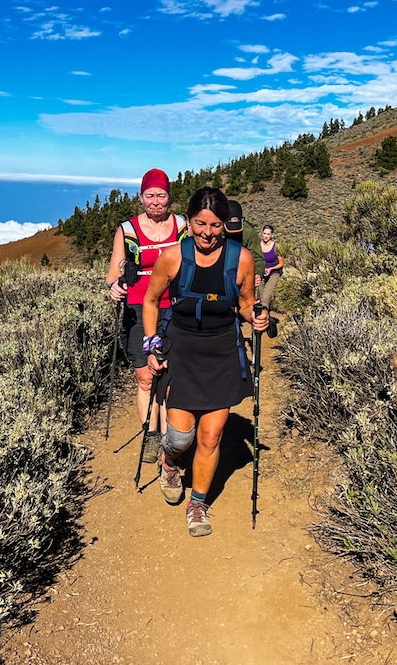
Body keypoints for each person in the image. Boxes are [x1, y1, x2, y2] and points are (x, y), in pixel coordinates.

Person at [142, 187, 268, 537]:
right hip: (182, 349)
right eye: (200, 223)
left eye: (215, 225)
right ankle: (170, 461)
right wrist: (152, 345)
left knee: (210, 437)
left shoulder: (240, 259)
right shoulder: (172, 257)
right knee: (181, 437)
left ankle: (197, 504)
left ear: (225, 224)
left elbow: (244, 302)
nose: (207, 233)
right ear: (189, 221)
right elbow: (151, 301)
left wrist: (255, 315)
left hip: (223, 351)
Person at [105, 169, 186, 464]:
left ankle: (169, 439)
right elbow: (113, 272)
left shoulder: (182, 227)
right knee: (145, 376)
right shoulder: (127, 231)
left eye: (161, 195)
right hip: (139, 306)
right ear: (141, 198)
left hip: (174, 305)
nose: (155, 202)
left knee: (169, 375)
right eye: (149, 195)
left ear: (169, 197)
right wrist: (115, 286)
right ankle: (151, 434)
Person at [224, 200, 264, 290]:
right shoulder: (216, 229)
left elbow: (258, 257)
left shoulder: (249, 232)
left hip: (243, 273)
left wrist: (258, 273)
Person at [258, 224, 285, 309]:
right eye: (264, 233)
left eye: (268, 234)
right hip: (260, 272)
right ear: (262, 234)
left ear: (272, 235)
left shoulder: (276, 247)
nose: (266, 236)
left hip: (274, 273)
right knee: (260, 295)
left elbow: (281, 263)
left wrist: (270, 269)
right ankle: (260, 316)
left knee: (265, 297)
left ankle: (264, 318)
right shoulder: (257, 246)